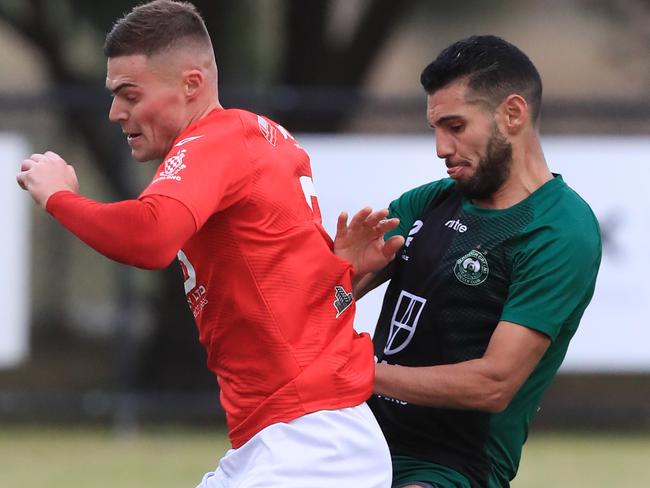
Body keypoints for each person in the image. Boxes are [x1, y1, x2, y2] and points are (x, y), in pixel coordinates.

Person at [16, 1, 404, 487]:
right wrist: (339, 269)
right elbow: (294, 284)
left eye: (130, 94)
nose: (116, 112)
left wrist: (59, 197)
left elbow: (149, 237)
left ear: (191, 84)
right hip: (292, 433)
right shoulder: (264, 137)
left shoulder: (216, 141)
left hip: (311, 441)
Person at [351, 35, 602, 487]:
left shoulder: (561, 230)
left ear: (512, 114)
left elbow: (493, 384)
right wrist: (336, 276)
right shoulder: (426, 203)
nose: (441, 148)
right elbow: (326, 299)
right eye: (435, 129)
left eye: (456, 126)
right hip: (353, 438)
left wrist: (360, 373)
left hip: (450, 466)